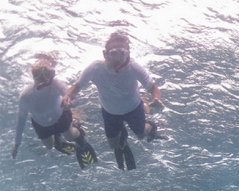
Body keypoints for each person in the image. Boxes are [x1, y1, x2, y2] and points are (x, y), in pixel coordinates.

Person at [62, 32, 162, 170]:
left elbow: (152, 87)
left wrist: (156, 98)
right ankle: (122, 139)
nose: (118, 58)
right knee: (113, 145)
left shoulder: (133, 67)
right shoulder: (95, 68)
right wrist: (68, 96)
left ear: (128, 53)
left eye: (122, 53)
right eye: (113, 53)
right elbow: (77, 86)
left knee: (141, 135)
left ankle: (151, 125)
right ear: (105, 54)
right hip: (110, 113)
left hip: (133, 108)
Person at [12, 56, 97, 168]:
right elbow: (21, 120)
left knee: (70, 136)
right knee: (49, 146)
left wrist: (69, 102)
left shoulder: (55, 83)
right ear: (34, 77)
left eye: (47, 79)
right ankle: (58, 141)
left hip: (60, 117)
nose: (44, 83)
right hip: (41, 124)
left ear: (51, 77)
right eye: (40, 79)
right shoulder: (26, 95)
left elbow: (73, 97)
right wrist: (17, 144)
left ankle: (79, 135)